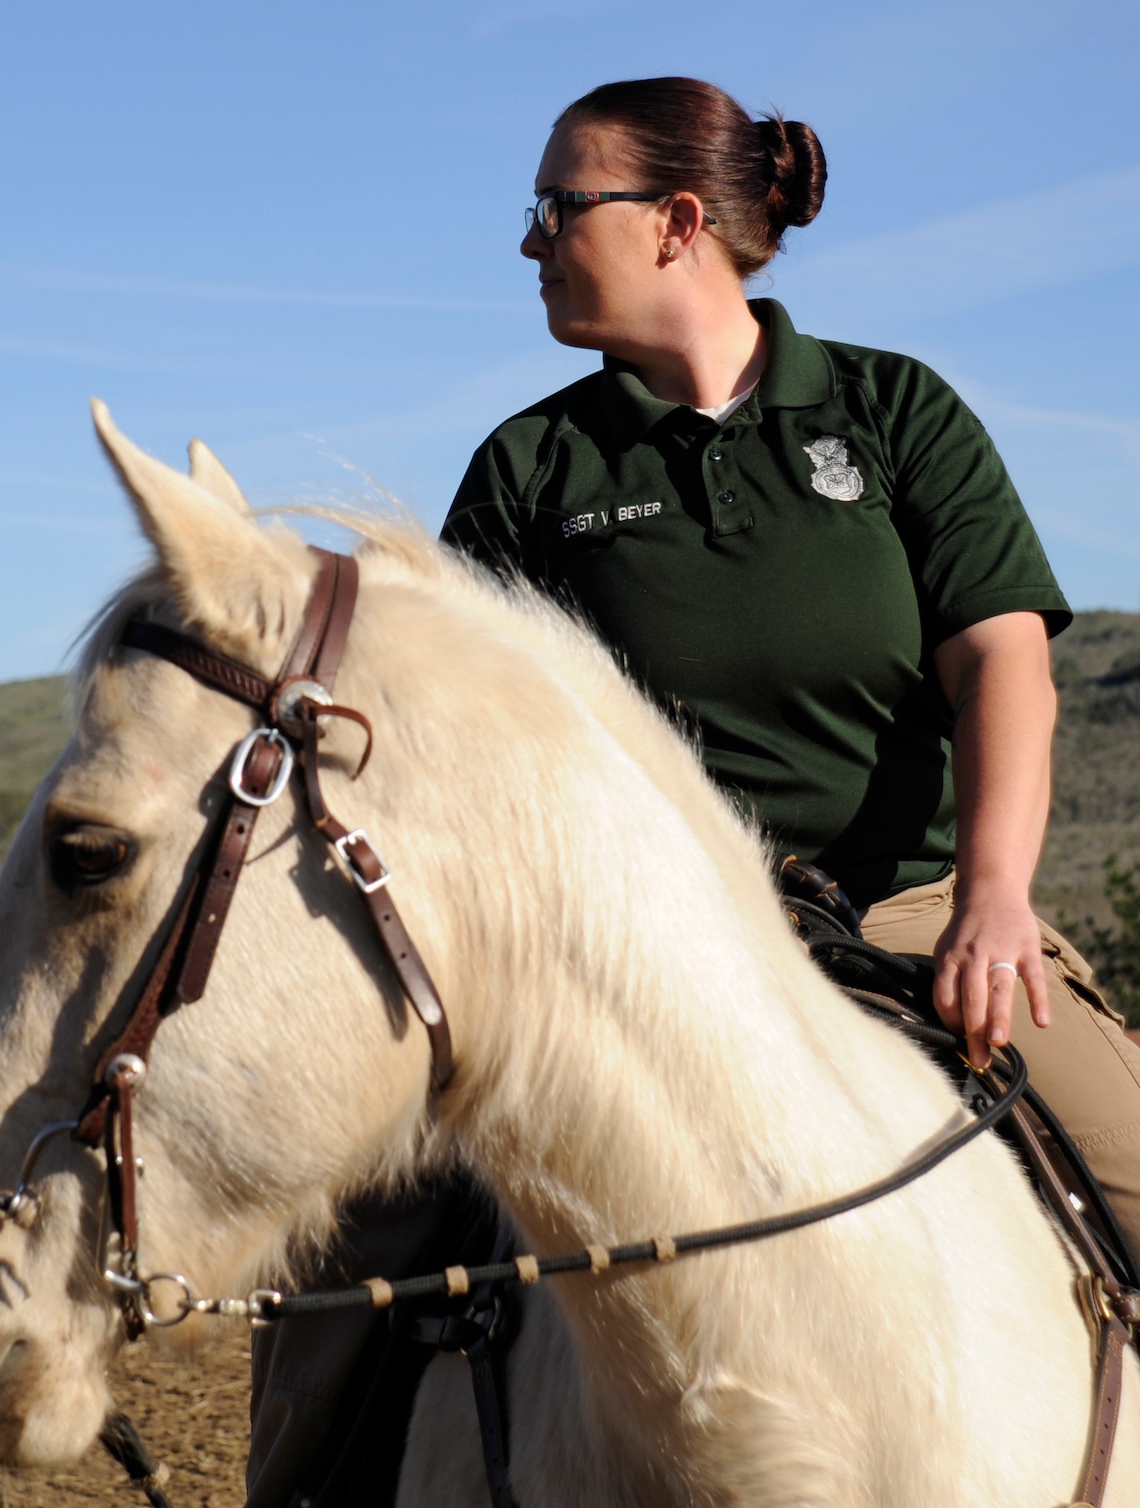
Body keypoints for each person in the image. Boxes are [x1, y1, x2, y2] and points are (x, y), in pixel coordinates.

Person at [245, 76, 1140, 1508]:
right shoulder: (533, 467)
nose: (530, 242)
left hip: (913, 921)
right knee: (362, 1260)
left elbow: (1006, 673)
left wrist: (993, 898)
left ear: (676, 222)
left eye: (555, 208)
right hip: (622, 965)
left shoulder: (897, 413)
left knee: (1134, 1166)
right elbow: (441, 741)